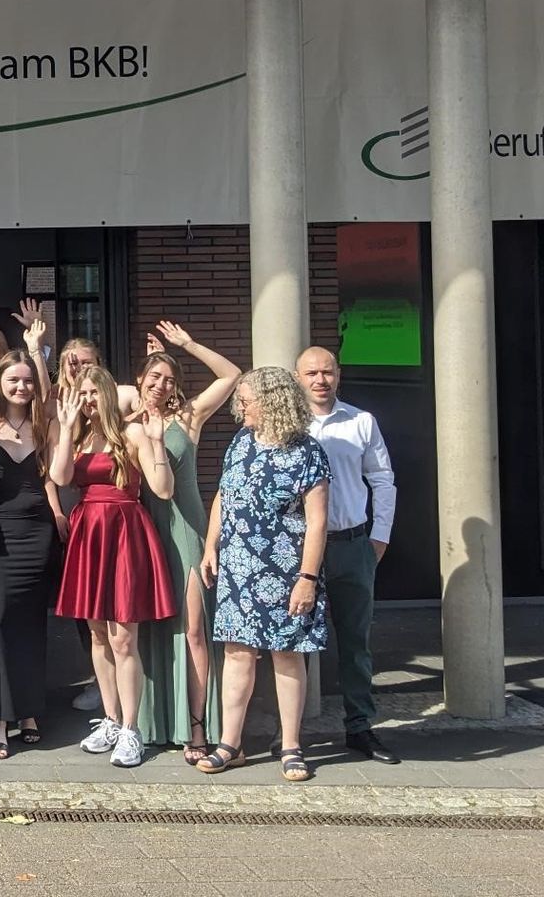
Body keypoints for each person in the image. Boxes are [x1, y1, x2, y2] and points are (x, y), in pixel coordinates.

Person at [197, 366, 331, 782]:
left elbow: (317, 522)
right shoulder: (241, 441)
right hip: (239, 567)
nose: (241, 408)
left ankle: (291, 745)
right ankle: (230, 744)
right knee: (237, 652)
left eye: (246, 400)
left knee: (286, 653)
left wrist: (307, 578)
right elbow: (224, 495)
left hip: (286, 571)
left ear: (273, 402)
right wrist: (211, 545)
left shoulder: (307, 452)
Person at [49, 366, 178, 768]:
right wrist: (66, 429)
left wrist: (157, 443)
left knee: (123, 638)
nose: (87, 399)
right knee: (98, 635)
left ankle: (131, 729)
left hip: (124, 532)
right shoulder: (79, 437)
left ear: (107, 393)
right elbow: (60, 477)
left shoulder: (132, 432)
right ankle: (110, 718)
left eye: (93, 392)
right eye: (82, 393)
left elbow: (163, 489)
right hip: (89, 533)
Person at [131, 322, 242, 761]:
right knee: (151, 629)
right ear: (139, 379)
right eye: (154, 377)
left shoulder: (187, 419)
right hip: (144, 532)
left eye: (169, 379)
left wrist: (187, 345)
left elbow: (231, 375)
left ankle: (197, 727)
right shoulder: (125, 420)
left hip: (185, 531)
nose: (161, 385)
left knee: (194, 630)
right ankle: (155, 722)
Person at [297, 346, 400, 765]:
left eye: (327, 372)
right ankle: (291, 733)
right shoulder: (288, 426)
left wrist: (380, 536)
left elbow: (383, 478)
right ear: (298, 377)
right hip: (299, 550)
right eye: (311, 373)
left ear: (338, 375)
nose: (320, 380)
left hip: (352, 544)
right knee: (293, 641)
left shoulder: (361, 421)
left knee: (356, 643)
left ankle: (360, 727)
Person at [0, 349, 63, 757]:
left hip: (37, 533)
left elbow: (53, 477)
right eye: (14, 380)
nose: (21, 387)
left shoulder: (45, 425)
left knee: (30, 624)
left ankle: (28, 711)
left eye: (27, 380)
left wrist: (57, 513)